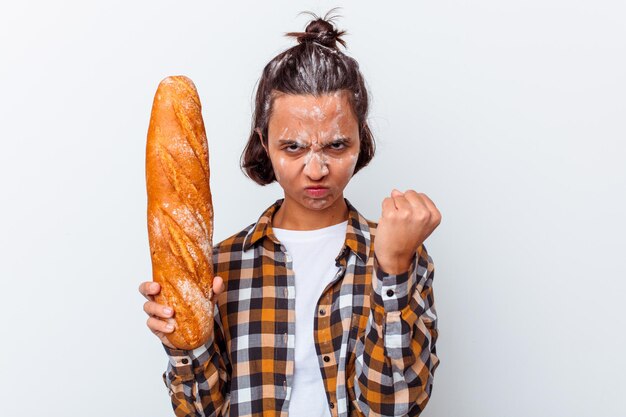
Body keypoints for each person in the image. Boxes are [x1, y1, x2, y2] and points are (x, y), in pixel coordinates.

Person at [139, 10, 441, 417]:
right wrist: (187, 344)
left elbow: (393, 408)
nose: (316, 170)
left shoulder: (401, 256)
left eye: (335, 146)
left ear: (360, 141)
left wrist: (392, 270)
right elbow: (200, 412)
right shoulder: (223, 265)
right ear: (264, 142)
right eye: (293, 147)